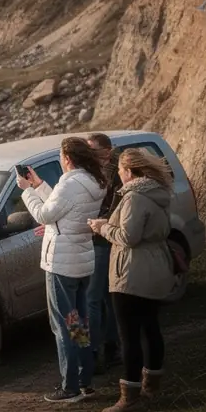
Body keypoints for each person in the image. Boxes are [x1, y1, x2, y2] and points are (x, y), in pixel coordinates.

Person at [18, 137, 107, 403]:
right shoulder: (93, 182)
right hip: (81, 260)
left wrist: (26, 191)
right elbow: (62, 208)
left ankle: (69, 386)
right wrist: (40, 185)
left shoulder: (69, 184)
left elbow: (46, 215)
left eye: (60, 156)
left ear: (67, 158)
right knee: (77, 322)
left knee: (63, 326)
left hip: (61, 264)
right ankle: (85, 381)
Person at [88, 148, 176, 412]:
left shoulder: (134, 197)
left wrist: (102, 228)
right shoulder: (157, 193)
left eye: (120, 172)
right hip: (155, 267)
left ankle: (131, 396)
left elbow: (128, 236)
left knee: (130, 336)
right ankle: (153, 386)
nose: (118, 176)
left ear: (129, 171)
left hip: (131, 272)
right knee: (151, 328)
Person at [87, 133, 122, 373]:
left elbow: (110, 209)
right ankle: (109, 348)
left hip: (99, 242)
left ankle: (91, 353)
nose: (89, 155)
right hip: (96, 242)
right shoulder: (93, 175)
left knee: (89, 302)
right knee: (105, 300)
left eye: (93, 150)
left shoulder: (110, 175)